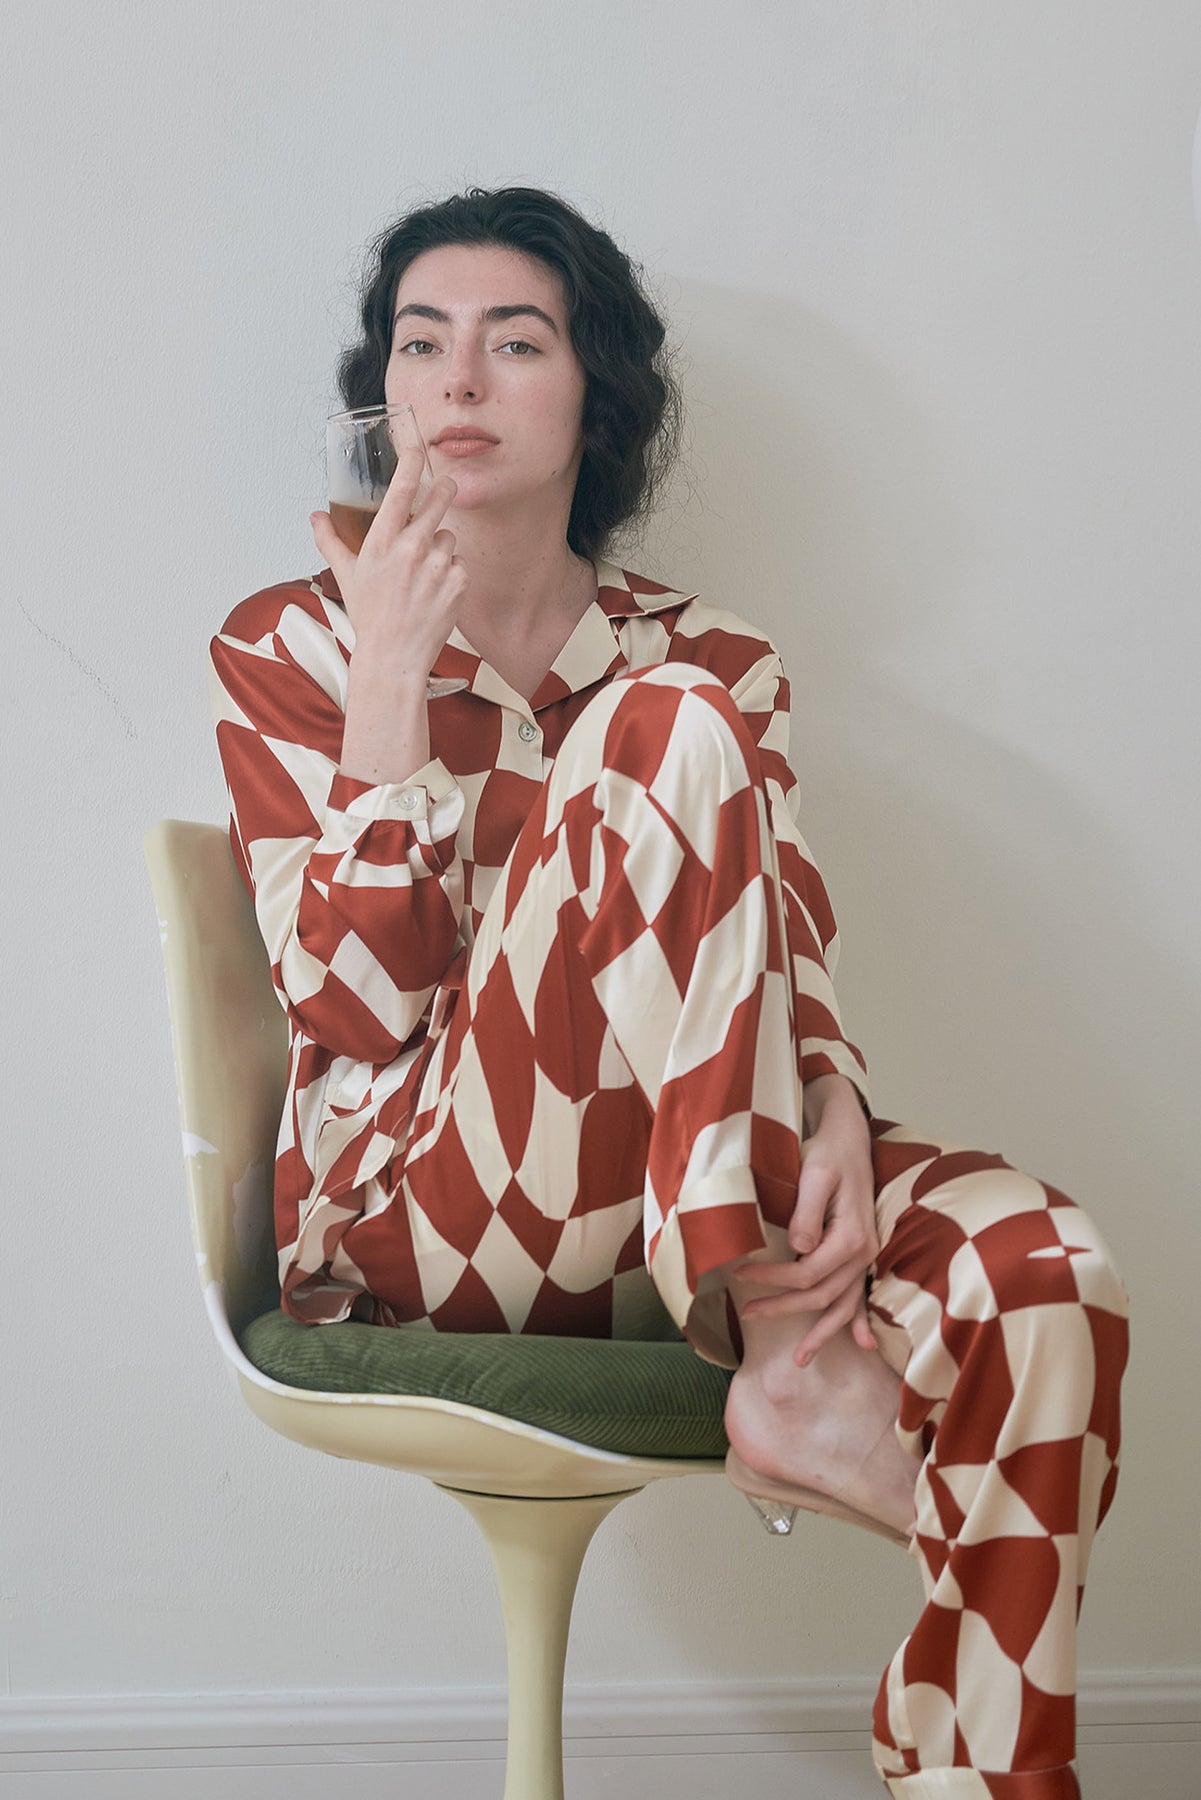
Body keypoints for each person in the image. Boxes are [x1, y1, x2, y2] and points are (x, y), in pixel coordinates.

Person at [209, 185, 1128, 1798]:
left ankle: (981, 1776)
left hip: (675, 1206)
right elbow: (350, 1010)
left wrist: (827, 1092)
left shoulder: (715, 652)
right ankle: (783, 1346)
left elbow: (781, 944)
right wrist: (386, 682)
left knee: (1039, 1263)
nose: (458, 380)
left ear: (597, 393)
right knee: (662, 730)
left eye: (515, 342)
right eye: (420, 345)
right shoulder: (290, 643)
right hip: (424, 1220)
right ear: (383, 393)